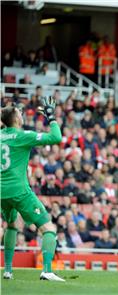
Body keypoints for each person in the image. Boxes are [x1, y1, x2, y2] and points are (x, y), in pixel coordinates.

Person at [1, 97, 65, 281]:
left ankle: (7, 271)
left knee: (12, 225)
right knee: (48, 228)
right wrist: (51, 118)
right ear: (16, 119)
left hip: (1, 192)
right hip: (19, 190)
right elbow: (56, 137)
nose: (22, 114)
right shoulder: (22, 136)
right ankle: (46, 270)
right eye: (19, 113)